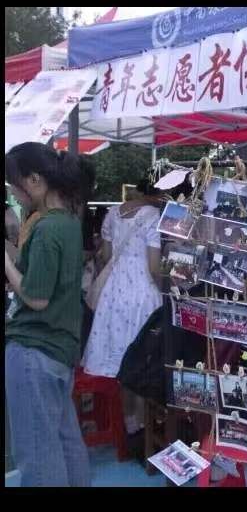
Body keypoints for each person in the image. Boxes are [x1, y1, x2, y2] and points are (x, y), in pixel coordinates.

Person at [5, 142, 95, 486]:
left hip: (34, 348)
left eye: (14, 185)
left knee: (37, 454)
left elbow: (36, 297)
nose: (14, 193)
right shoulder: (68, 223)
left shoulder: (46, 229)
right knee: (64, 441)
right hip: (58, 350)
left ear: (34, 180)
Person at [82, 179, 164, 434]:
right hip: (142, 292)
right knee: (141, 357)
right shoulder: (153, 216)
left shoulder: (112, 213)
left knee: (119, 357)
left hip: (114, 291)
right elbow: (154, 267)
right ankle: (142, 424)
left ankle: (125, 421)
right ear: (158, 194)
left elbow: (106, 256)